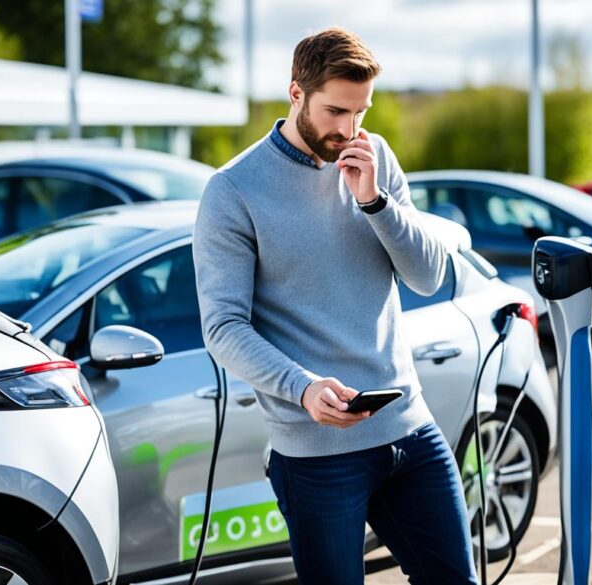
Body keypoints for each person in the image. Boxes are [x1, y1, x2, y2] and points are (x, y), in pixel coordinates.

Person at [193, 26, 478, 585]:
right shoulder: (233, 191)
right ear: (295, 93)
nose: (349, 129)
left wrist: (375, 202)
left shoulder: (377, 159)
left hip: (410, 430)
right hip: (317, 453)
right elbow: (223, 327)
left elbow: (427, 277)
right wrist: (302, 386)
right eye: (335, 112)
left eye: (361, 112)